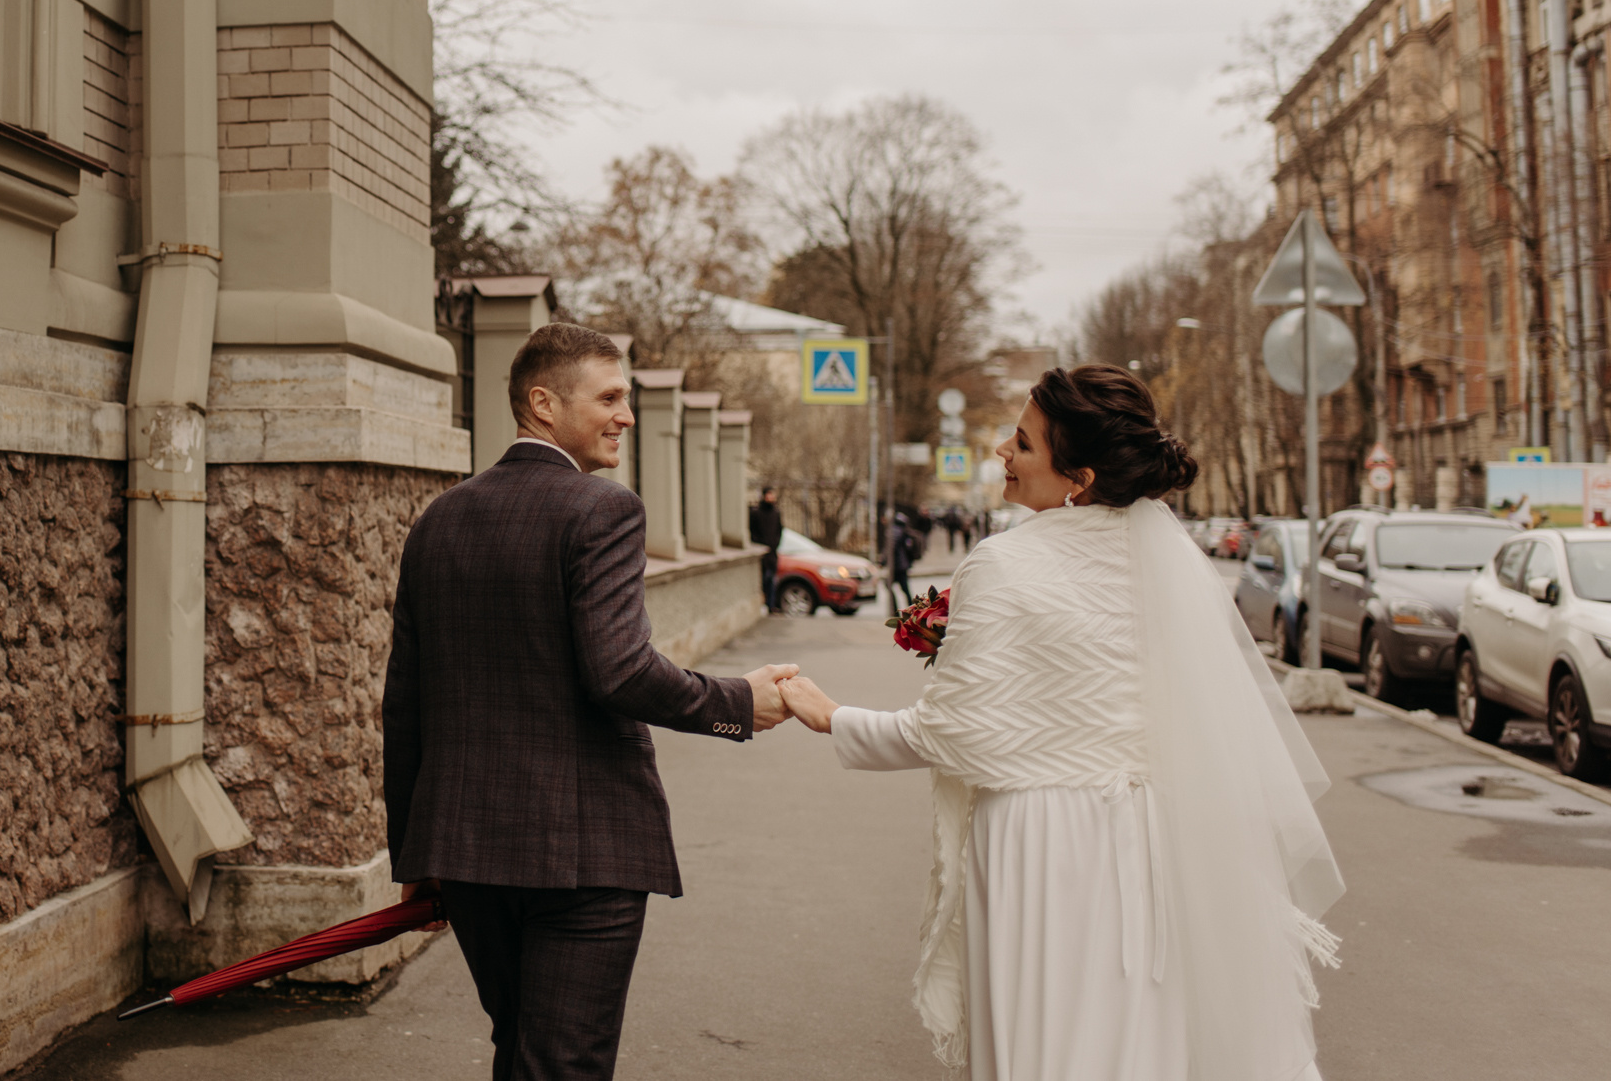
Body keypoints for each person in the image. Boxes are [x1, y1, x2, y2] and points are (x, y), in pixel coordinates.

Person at [777, 366, 1343, 1081]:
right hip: (1160, 839)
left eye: (1021, 444)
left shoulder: (1006, 562)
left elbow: (949, 731)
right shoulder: (1165, 559)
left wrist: (834, 718)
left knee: (1048, 1042)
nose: (1001, 455)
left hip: (1044, 842)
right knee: (1144, 1039)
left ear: (1077, 474)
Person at [383, 323, 800, 1080]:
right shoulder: (600, 509)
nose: (627, 416)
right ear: (543, 404)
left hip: (466, 852)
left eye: (630, 398)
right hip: (581, 854)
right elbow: (620, 671)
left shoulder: (436, 521)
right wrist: (737, 701)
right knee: (562, 1066)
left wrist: (418, 845)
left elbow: (406, 701)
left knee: (522, 1052)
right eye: (609, 397)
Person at [748, 485, 786, 612]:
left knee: (771, 580)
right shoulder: (756, 512)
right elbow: (752, 531)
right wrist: (760, 544)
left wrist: (775, 544)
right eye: (769, 494)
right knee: (763, 579)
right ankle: (762, 603)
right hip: (761, 552)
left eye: (772, 494)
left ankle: (771, 605)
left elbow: (779, 530)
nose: (771, 497)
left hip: (772, 552)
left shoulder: (776, 513)